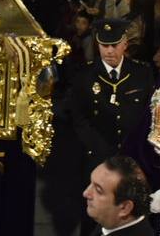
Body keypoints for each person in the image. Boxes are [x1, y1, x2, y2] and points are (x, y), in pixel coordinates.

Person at [66, 19, 155, 176]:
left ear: (125, 44)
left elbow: (148, 113)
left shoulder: (142, 73)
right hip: (97, 155)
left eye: (114, 45)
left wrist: (137, 145)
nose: (109, 51)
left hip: (133, 154)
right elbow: (79, 117)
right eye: (104, 46)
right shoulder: (84, 75)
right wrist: (98, 147)